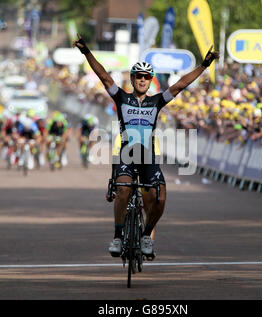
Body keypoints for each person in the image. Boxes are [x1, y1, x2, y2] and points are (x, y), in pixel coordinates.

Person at [73, 33, 219, 259]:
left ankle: (146, 234)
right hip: (126, 154)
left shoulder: (156, 101)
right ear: (132, 79)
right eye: (138, 76)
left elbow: (181, 84)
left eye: (146, 77)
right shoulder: (121, 98)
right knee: (123, 190)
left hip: (148, 155)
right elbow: (102, 75)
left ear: (151, 80)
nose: (142, 79)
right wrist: (86, 51)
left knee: (160, 197)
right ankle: (118, 236)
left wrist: (204, 65)